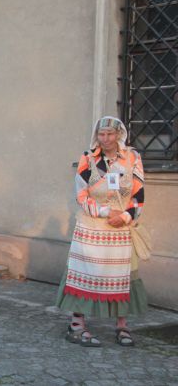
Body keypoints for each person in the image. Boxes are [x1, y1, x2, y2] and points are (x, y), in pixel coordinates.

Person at [55, 116, 147, 347]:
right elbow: (81, 194)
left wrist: (126, 215)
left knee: (122, 276)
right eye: (102, 134)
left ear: (119, 135)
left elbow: (139, 193)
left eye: (110, 134)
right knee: (84, 272)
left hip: (122, 227)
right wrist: (107, 213)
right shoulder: (88, 158)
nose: (105, 139)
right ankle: (76, 326)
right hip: (93, 224)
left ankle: (122, 326)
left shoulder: (132, 158)